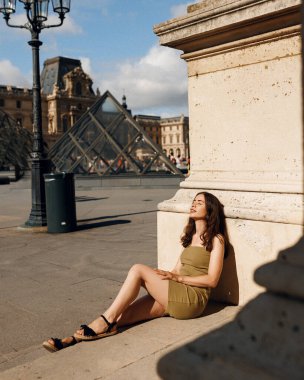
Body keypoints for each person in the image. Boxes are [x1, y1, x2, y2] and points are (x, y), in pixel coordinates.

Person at [43, 191, 228, 352]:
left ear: (210, 210)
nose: (193, 204)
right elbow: (175, 270)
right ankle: (71, 340)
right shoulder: (191, 236)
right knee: (124, 316)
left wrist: (175, 277)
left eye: (200, 202)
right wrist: (162, 277)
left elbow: (212, 280)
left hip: (192, 300)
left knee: (137, 269)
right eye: (194, 201)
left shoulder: (216, 239)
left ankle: (104, 322)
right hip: (177, 293)